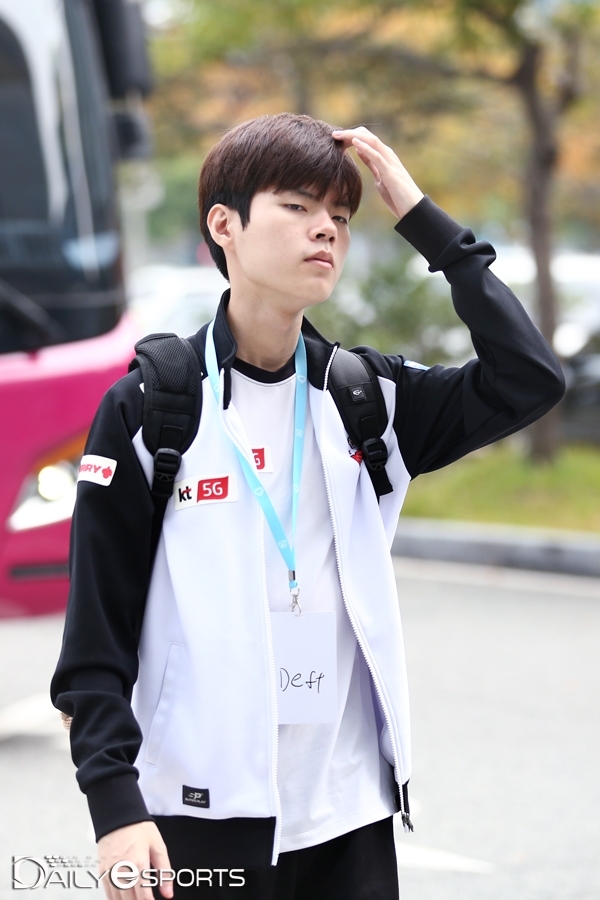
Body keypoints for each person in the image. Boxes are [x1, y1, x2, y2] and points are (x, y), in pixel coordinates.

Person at [51, 113, 564, 900]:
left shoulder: (368, 399)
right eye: (296, 206)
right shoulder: (154, 408)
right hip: (197, 815)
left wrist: (425, 223)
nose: (326, 229)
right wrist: (114, 807)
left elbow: (529, 380)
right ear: (224, 225)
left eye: (343, 216)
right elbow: (97, 632)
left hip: (349, 816)